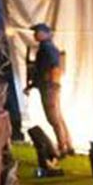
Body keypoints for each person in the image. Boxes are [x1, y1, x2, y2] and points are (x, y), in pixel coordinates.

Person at [27, 22, 74, 155]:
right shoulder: (48, 47)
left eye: (38, 32)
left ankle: (62, 146)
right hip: (51, 85)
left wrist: (44, 82)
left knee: (53, 118)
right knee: (58, 116)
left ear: (46, 34)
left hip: (48, 86)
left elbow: (52, 67)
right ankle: (68, 144)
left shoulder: (46, 48)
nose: (35, 34)